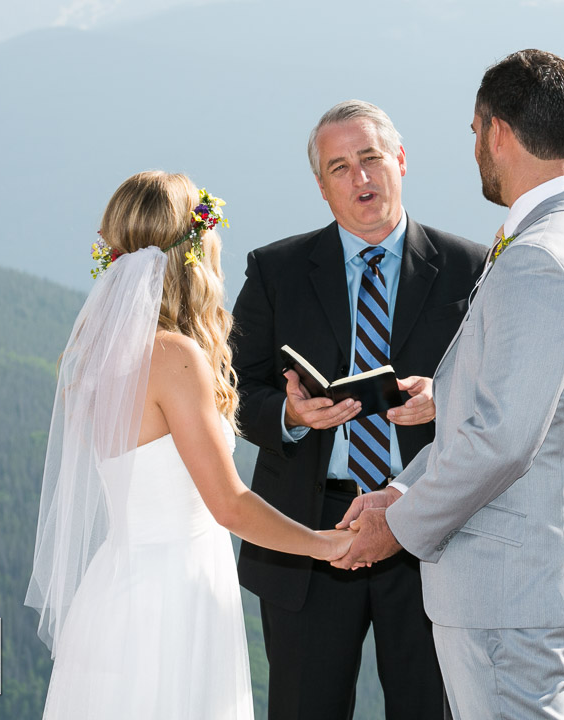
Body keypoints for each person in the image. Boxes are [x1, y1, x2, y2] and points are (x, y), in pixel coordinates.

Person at [334, 50, 564, 720]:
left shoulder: (539, 260)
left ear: (498, 132)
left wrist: (397, 526)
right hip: (522, 587)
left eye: (474, 131)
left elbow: (501, 440)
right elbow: (493, 411)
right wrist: (400, 489)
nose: (473, 149)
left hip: (505, 593)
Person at [24, 171, 353, 720]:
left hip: (116, 589)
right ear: (192, 254)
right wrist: (325, 545)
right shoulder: (174, 356)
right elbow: (230, 505)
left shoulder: (99, 352)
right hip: (170, 601)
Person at [232, 101, 488, 720]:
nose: (360, 178)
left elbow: (500, 397)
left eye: (371, 158)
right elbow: (232, 387)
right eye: (339, 168)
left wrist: (444, 400)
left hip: (428, 524)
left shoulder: (472, 269)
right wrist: (290, 415)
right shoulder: (275, 270)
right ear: (322, 188)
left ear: (400, 160)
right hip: (309, 531)